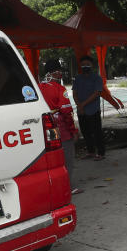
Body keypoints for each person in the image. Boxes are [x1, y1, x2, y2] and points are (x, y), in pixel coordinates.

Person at [38, 59, 82, 194]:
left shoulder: (37, 87)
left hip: (45, 128)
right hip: (60, 127)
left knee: (51, 158)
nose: (61, 73)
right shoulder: (59, 88)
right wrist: (73, 130)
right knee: (67, 157)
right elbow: (66, 112)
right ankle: (68, 187)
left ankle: (52, 187)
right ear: (55, 72)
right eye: (59, 71)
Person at [72, 55, 106, 160]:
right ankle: (90, 151)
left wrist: (83, 104)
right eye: (83, 65)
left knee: (97, 132)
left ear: (92, 65)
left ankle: (101, 153)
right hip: (81, 110)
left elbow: (97, 93)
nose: (85, 66)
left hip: (93, 109)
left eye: (87, 64)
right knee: (86, 132)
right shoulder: (77, 78)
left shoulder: (97, 78)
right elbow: (74, 93)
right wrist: (79, 105)